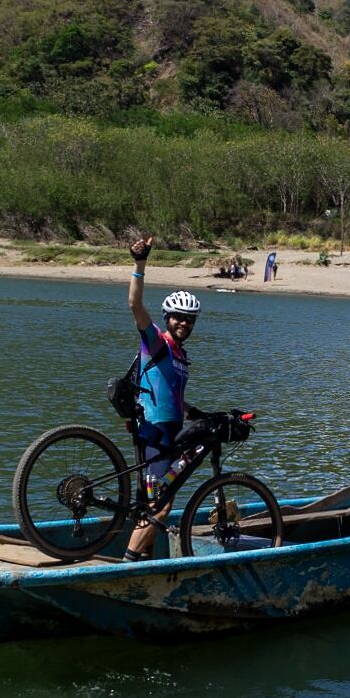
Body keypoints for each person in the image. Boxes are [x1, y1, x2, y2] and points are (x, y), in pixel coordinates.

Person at [124, 236, 199, 556]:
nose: (183, 322)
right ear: (167, 317)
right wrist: (139, 263)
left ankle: (143, 559)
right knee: (161, 506)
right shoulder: (157, 342)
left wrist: (194, 412)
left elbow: (173, 394)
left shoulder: (181, 354)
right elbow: (135, 305)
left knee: (155, 502)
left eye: (188, 319)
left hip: (171, 430)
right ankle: (126, 565)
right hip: (154, 430)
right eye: (178, 317)